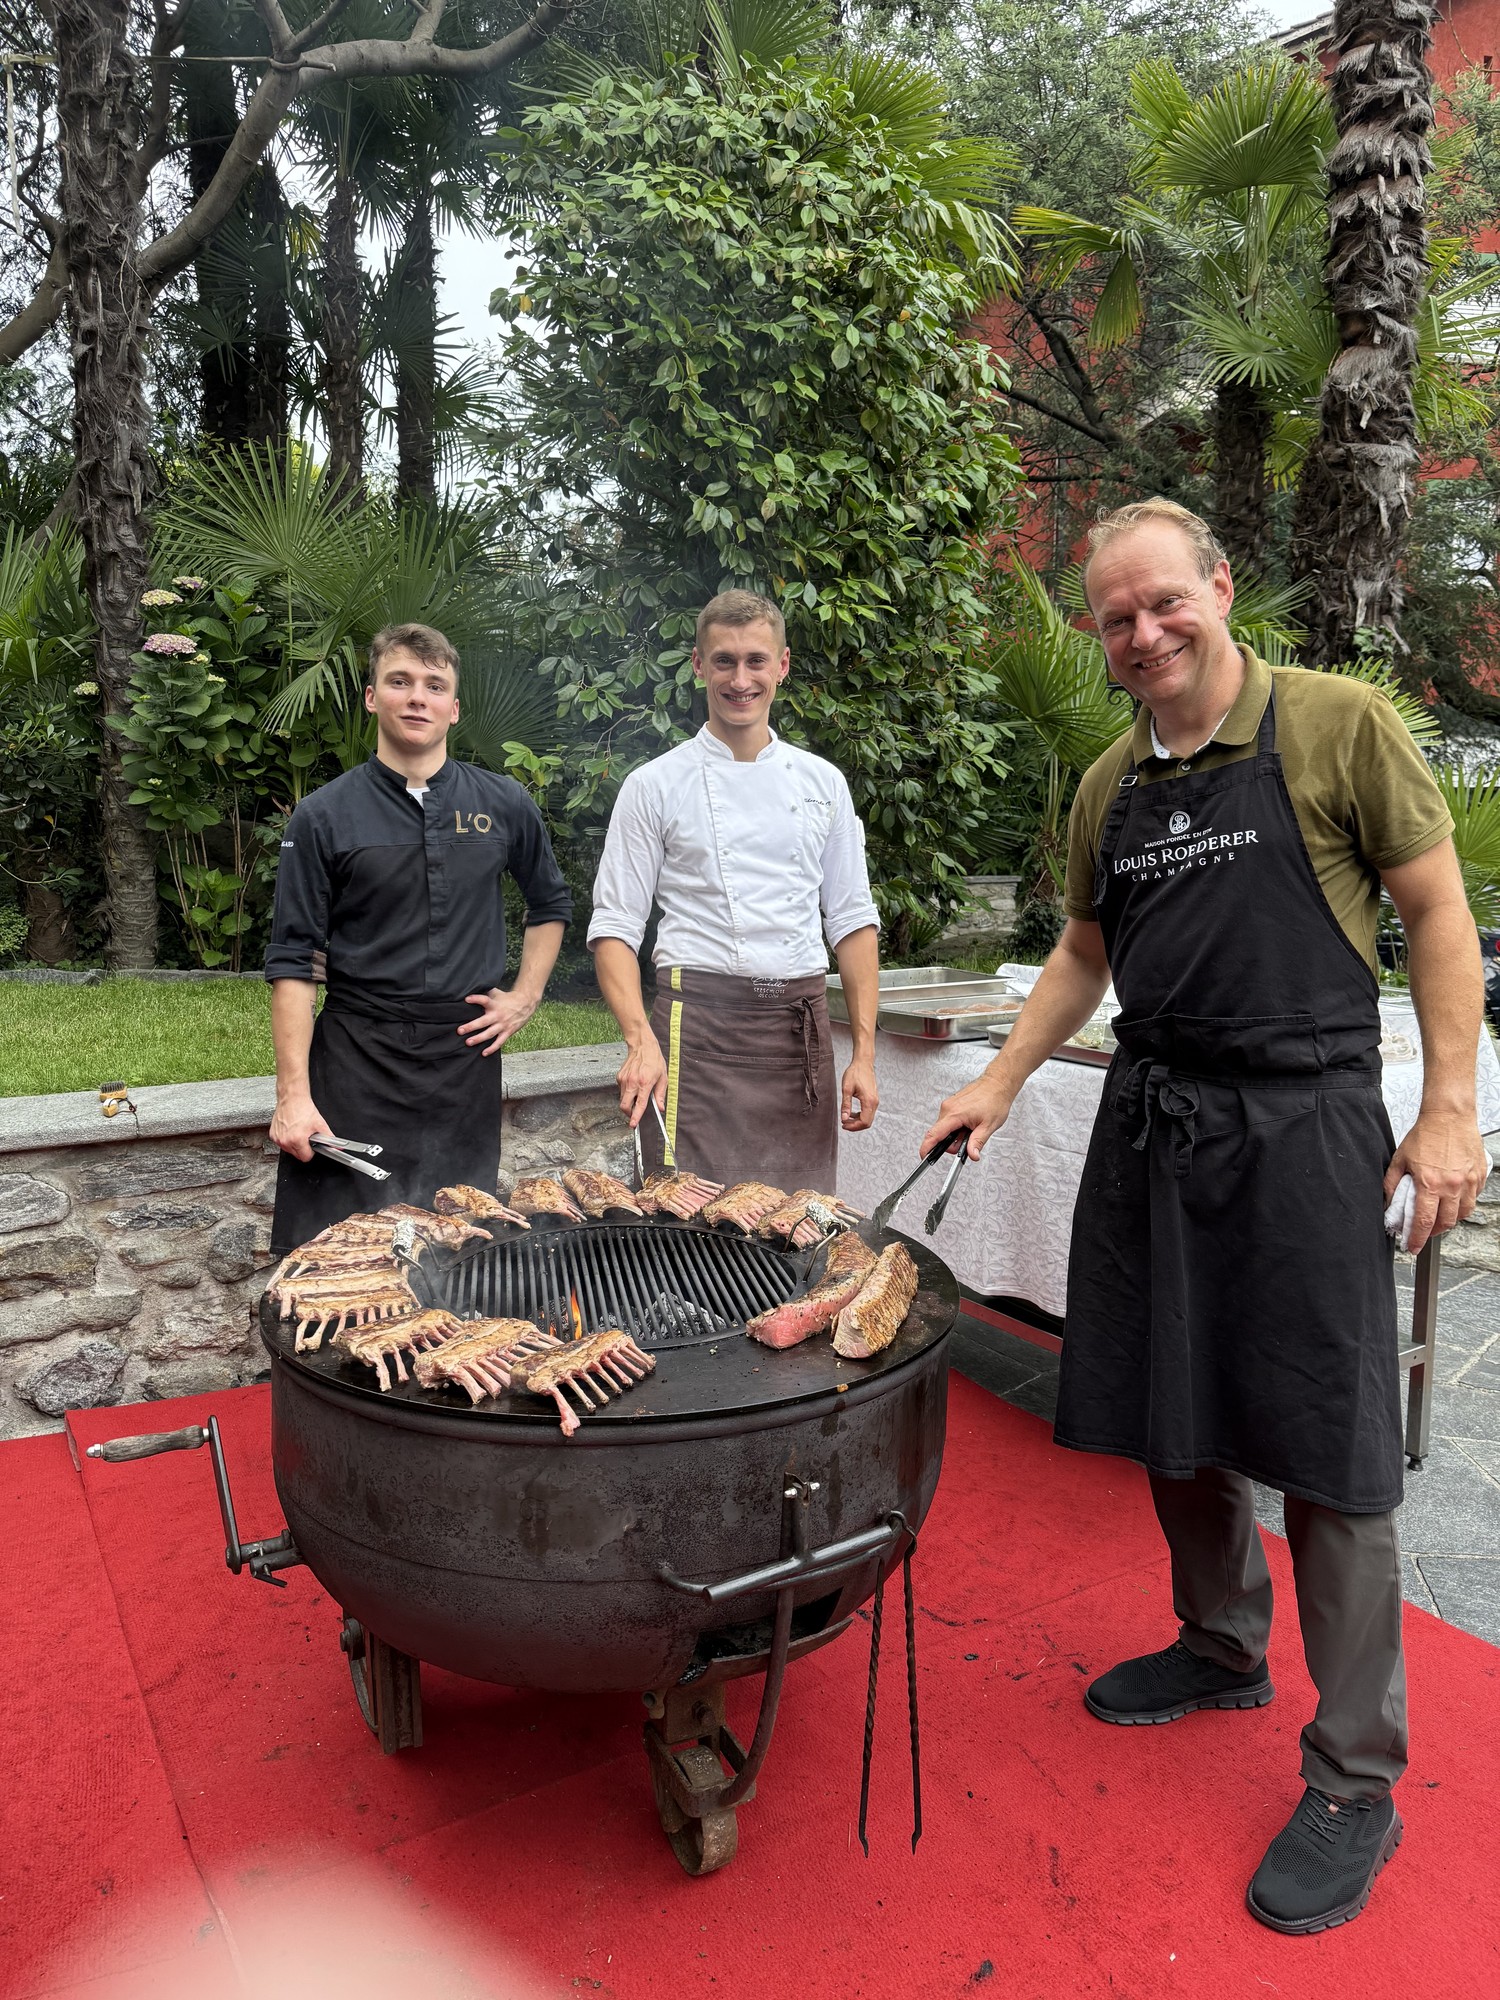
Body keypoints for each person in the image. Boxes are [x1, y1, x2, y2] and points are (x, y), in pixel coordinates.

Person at [922, 500, 1486, 1934]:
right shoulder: (1110, 782)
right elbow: (1084, 950)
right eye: (1117, 616)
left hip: (1306, 1125)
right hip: (1157, 1123)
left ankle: (1355, 1772)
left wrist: (1449, 1109)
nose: (1145, 632)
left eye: (1165, 600)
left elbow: (1437, 912)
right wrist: (997, 1080)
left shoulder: (1338, 723)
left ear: (1220, 588)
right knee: (1173, 1401)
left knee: (1333, 1447)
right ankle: (1224, 1641)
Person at [265, 622, 572, 1254]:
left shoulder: (504, 803)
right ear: (372, 697)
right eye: (399, 681)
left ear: (453, 708)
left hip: (463, 1064)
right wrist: (293, 1096)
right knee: (336, 1254)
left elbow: (550, 904)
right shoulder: (322, 815)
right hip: (355, 1063)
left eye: (434, 686)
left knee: (458, 1255)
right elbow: (293, 959)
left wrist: (525, 998)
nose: (417, 698)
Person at [588, 589, 881, 1190]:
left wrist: (865, 1055)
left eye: (755, 661)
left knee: (800, 1220)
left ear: (782, 665)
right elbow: (614, 927)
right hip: (695, 1032)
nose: (740, 679)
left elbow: (852, 921)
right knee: (683, 1217)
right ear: (699, 665)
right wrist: (640, 1041)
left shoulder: (824, 783)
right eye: (724, 661)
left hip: (797, 1032)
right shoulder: (653, 785)